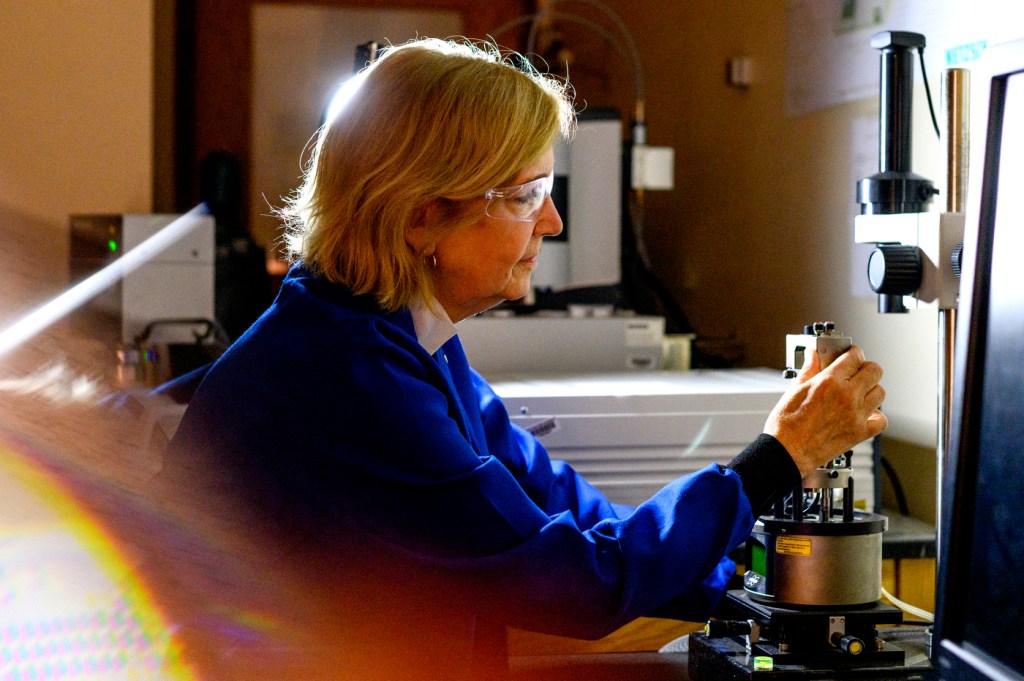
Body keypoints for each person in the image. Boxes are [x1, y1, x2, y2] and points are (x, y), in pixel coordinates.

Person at [159, 37, 887, 681]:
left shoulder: (395, 333)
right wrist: (777, 458)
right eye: (527, 194)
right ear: (422, 217)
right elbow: (580, 583)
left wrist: (747, 580)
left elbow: (555, 500)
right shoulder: (347, 376)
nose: (553, 218)